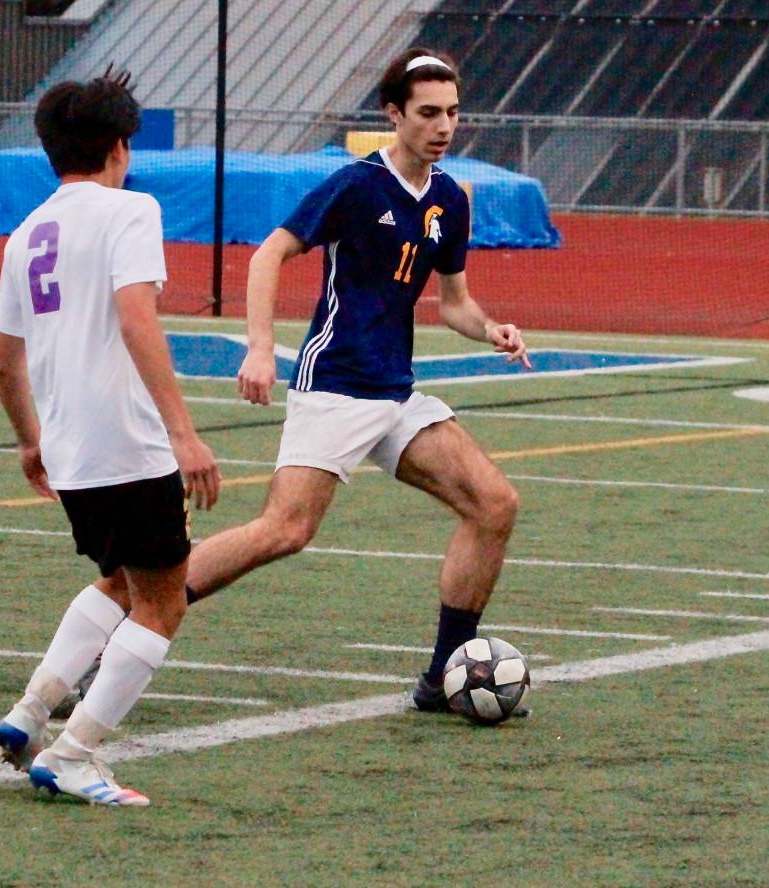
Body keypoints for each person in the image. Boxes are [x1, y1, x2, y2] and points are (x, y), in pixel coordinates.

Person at [182, 47, 531, 713]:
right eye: (428, 113)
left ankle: (440, 679)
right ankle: (122, 634)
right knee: (284, 531)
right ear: (394, 113)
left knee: (495, 504)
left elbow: (453, 301)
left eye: (453, 113)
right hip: (336, 385)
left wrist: (490, 330)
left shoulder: (452, 199)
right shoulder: (354, 185)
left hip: (394, 393)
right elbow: (269, 253)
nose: (443, 126)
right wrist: (260, 348)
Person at [0, 68, 220, 807]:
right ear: (121, 146)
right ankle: (75, 752)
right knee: (163, 601)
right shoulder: (130, 210)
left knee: (121, 582)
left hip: (69, 449)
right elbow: (135, 318)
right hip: (125, 441)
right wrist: (184, 435)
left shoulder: (26, 233)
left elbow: (4, 362)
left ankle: (29, 713)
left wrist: (30, 442)